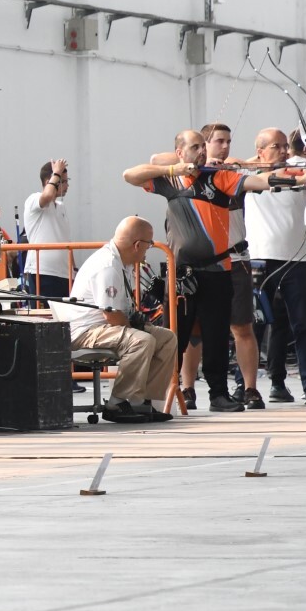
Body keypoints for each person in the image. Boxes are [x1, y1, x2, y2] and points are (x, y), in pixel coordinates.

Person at [123, 130, 279, 414]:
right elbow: (129, 175)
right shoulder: (170, 179)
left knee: (217, 333)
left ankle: (219, 394)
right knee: (177, 335)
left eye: (203, 147)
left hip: (218, 270)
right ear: (180, 152)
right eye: (195, 147)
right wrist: (173, 168)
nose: (202, 152)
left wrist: (287, 179)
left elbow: (257, 182)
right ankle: (162, 393)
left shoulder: (218, 177)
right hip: (182, 275)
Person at [171, 124, 265, 408]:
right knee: (186, 333)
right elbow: (145, 167)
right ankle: (180, 389)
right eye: (216, 142)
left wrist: (295, 177)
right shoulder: (175, 177)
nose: (223, 147)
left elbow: (259, 179)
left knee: (227, 329)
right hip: (187, 271)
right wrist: (181, 166)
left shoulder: (224, 175)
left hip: (228, 263)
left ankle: (225, 392)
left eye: (228, 142)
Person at [50, 217, 177, 422]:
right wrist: (137, 329)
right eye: (149, 244)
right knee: (142, 341)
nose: (149, 249)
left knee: (167, 339)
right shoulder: (108, 266)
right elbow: (111, 316)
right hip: (87, 331)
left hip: (106, 327)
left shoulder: (123, 261)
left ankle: (144, 402)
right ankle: (118, 403)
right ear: (137, 245)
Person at [246, 128, 306, 404]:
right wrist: (256, 162)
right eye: (277, 146)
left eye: (286, 146)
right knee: (257, 324)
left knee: (302, 325)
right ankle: (253, 386)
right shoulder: (247, 175)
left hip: (297, 261)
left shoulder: (298, 171)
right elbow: (257, 172)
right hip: (261, 258)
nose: (284, 151)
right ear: (260, 151)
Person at [21, 159, 72, 303]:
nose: (67, 185)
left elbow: (67, 242)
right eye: (62, 181)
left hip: (64, 274)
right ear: (49, 180)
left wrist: (72, 270)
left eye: (67, 181)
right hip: (42, 272)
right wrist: (56, 172)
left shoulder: (61, 207)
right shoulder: (33, 199)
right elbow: (47, 196)